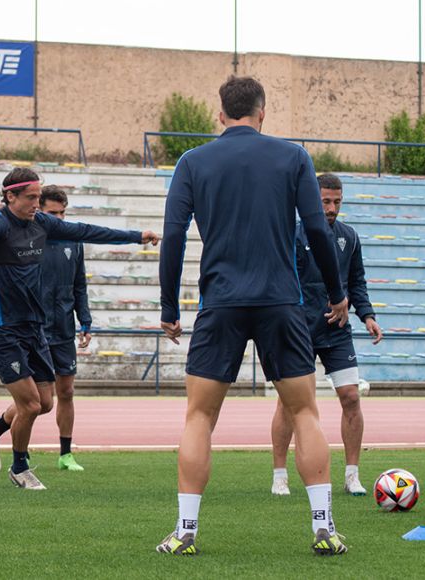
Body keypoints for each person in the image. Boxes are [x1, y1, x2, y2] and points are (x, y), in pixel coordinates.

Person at [156, 76, 350, 556]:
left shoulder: (192, 162)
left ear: (220, 114)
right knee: (305, 410)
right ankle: (323, 527)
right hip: (280, 301)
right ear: (263, 113)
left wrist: (168, 307)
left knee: (199, 415)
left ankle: (185, 532)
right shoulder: (293, 157)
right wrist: (337, 292)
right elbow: (318, 232)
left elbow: (174, 235)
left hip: (220, 302)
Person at [0, 168, 158, 491]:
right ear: (10, 196)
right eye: (30, 197)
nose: (35, 203)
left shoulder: (41, 224)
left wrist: (135, 236)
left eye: (37, 197)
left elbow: (85, 230)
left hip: (34, 327)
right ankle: (20, 468)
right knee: (29, 404)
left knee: (45, 403)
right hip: (3, 328)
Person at [270, 173, 383, 497]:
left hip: (336, 332)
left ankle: (352, 475)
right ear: (312, 200)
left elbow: (356, 282)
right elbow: (283, 281)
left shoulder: (349, 236)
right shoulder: (291, 234)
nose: (332, 208)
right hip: (298, 331)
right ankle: (280, 475)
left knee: (351, 397)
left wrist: (368, 315)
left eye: (337, 202)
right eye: (326, 202)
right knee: (288, 403)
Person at [39, 185, 91, 471]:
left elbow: (79, 284)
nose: (59, 219)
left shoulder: (74, 242)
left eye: (62, 213)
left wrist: (85, 319)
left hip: (63, 328)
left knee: (67, 391)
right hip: (35, 329)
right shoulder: (31, 241)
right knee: (37, 400)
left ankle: (65, 454)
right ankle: (21, 452)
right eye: (52, 213)